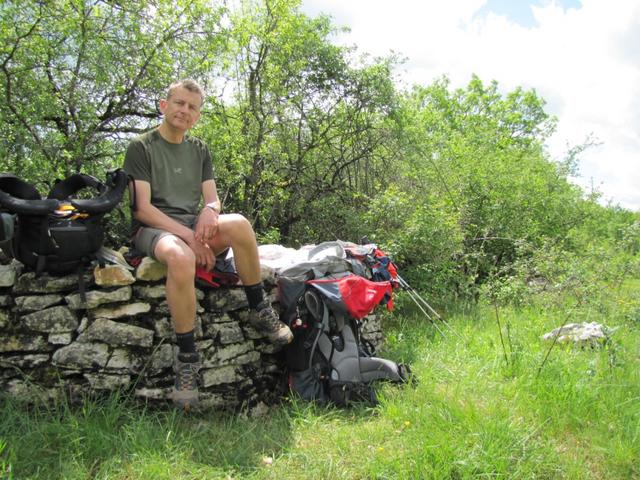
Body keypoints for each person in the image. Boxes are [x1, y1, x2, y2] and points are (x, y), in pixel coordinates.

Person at [123, 79, 293, 411]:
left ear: (198, 115)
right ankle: (187, 361)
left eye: (192, 107)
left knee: (239, 224)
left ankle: (260, 309)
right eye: (179, 103)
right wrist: (189, 237)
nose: (184, 111)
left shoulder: (199, 150)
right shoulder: (141, 147)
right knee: (181, 258)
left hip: (191, 229)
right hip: (154, 230)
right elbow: (142, 208)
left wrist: (208, 212)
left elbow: (213, 200)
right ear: (164, 105)